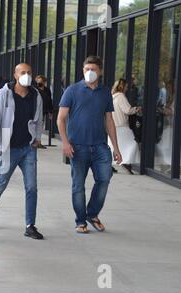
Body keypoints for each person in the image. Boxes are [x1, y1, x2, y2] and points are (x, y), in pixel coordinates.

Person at [57, 56, 122, 234]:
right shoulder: (72, 90)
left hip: (100, 146)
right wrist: (65, 142)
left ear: (100, 71)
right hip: (77, 147)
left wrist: (116, 148)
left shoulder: (105, 92)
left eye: (93, 69)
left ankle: (92, 214)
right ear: (83, 70)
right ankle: (80, 221)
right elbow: (60, 119)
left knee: (104, 179)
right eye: (87, 69)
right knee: (78, 185)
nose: (90, 72)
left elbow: (109, 120)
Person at [0, 63, 44, 240]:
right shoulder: (4, 94)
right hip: (7, 149)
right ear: (15, 75)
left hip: (28, 148)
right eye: (23, 72)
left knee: (32, 187)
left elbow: (38, 119)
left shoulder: (36, 95)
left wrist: (37, 138)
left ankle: (30, 225)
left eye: (29, 72)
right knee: (0, 185)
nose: (26, 75)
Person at [109, 79, 141, 174]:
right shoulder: (121, 96)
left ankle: (110, 164)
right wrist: (137, 109)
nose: (127, 88)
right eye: (126, 86)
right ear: (122, 86)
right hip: (122, 126)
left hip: (113, 125)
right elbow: (127, 110)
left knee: (112, 146)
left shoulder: (112, 96)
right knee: (132, 144)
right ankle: (126, 162)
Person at [35, 75, 54, 149]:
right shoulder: (35, 90)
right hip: (36, 111)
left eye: (41, 81)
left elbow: (49, 101)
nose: (40, 83)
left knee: (40, 126)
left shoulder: (47, 90)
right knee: (35, 126)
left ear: (44, 82)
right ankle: (35, 141)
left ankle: (38, 142)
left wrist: (50, 112)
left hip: (44, 110)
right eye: (38, 81)